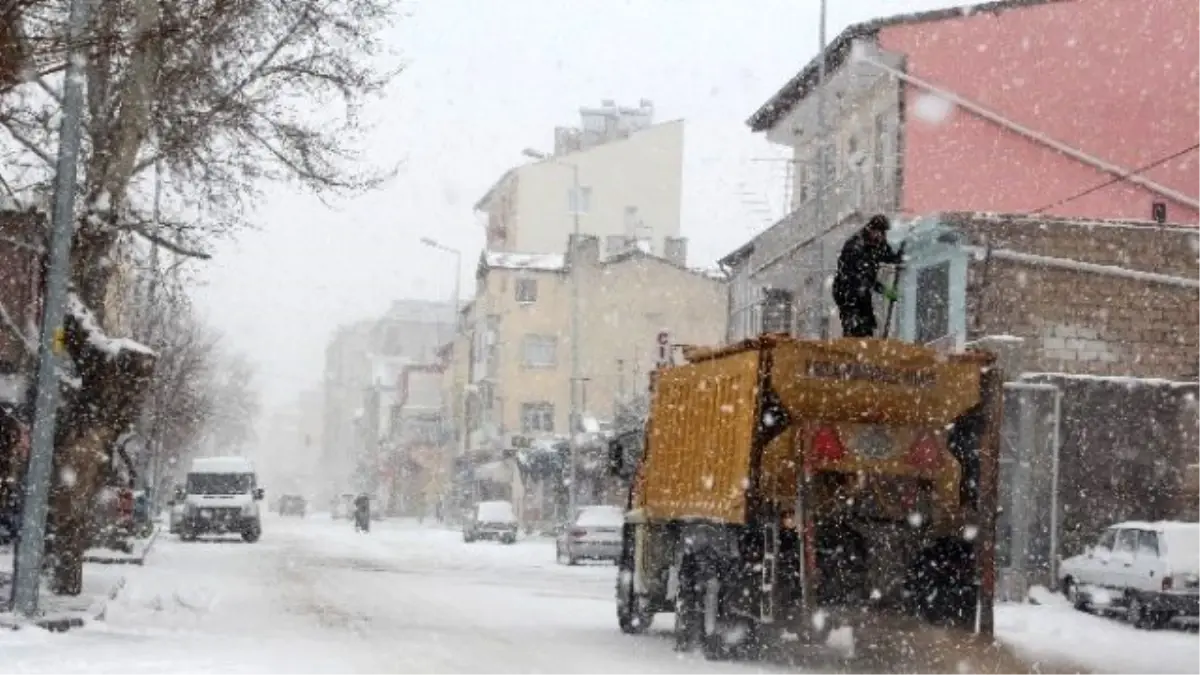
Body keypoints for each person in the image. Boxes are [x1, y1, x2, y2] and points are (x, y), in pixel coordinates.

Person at [832, 214, 904, 338]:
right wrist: (884, 290)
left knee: (868, 324)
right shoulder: (855, 247)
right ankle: (851, 345)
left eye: (883, 233)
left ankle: (865, 343)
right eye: (878, 232)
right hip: (845, 290)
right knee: (855, 324)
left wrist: (900, 256)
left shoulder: (878, 244)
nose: (881, 237)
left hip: (862, 290)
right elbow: (862, 278)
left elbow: (889, 256)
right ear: (871, 230)